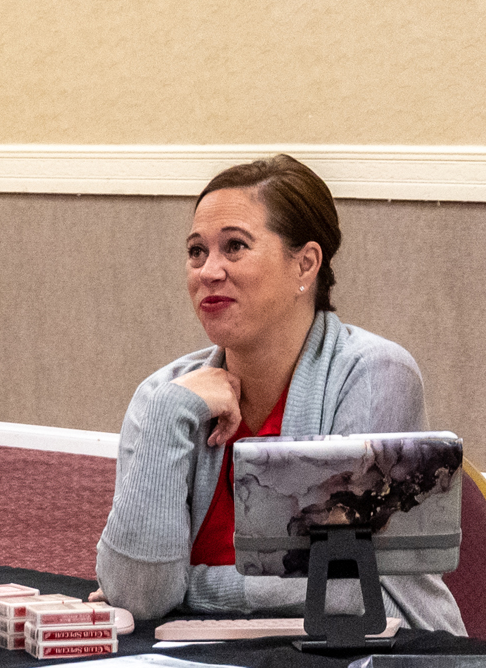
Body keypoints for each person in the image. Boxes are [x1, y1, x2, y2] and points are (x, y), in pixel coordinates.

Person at [93, 154, 465, 633]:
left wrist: (186, 589)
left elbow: (344, 588)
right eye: (196, 251)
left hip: (371, 653)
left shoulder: (375, 373)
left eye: (235, 246)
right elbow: (137, 595)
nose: (208, 271)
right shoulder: (163, 397)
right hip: (210, 660)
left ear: (305, 264)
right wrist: (170, 414)